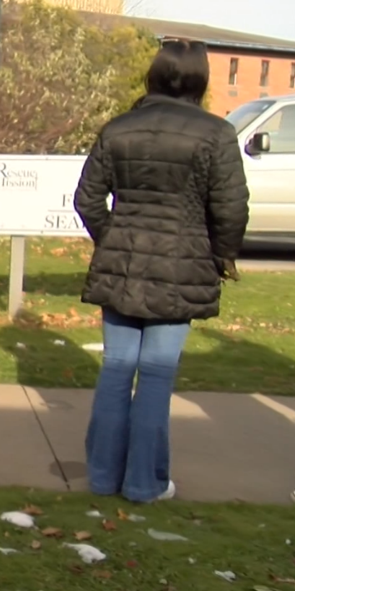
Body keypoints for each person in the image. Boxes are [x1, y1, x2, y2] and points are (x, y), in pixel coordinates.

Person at [73, 41, 248, 503]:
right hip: (181, 263)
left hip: (123, 263)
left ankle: (103, 477)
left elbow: (87, 200)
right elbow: (230, 209)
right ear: (199, 80)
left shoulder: (119, 128)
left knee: (116, 368)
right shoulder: (216, 133)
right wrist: (221, 257)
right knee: (155, 374)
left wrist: (114, 237)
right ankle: (144, 483)